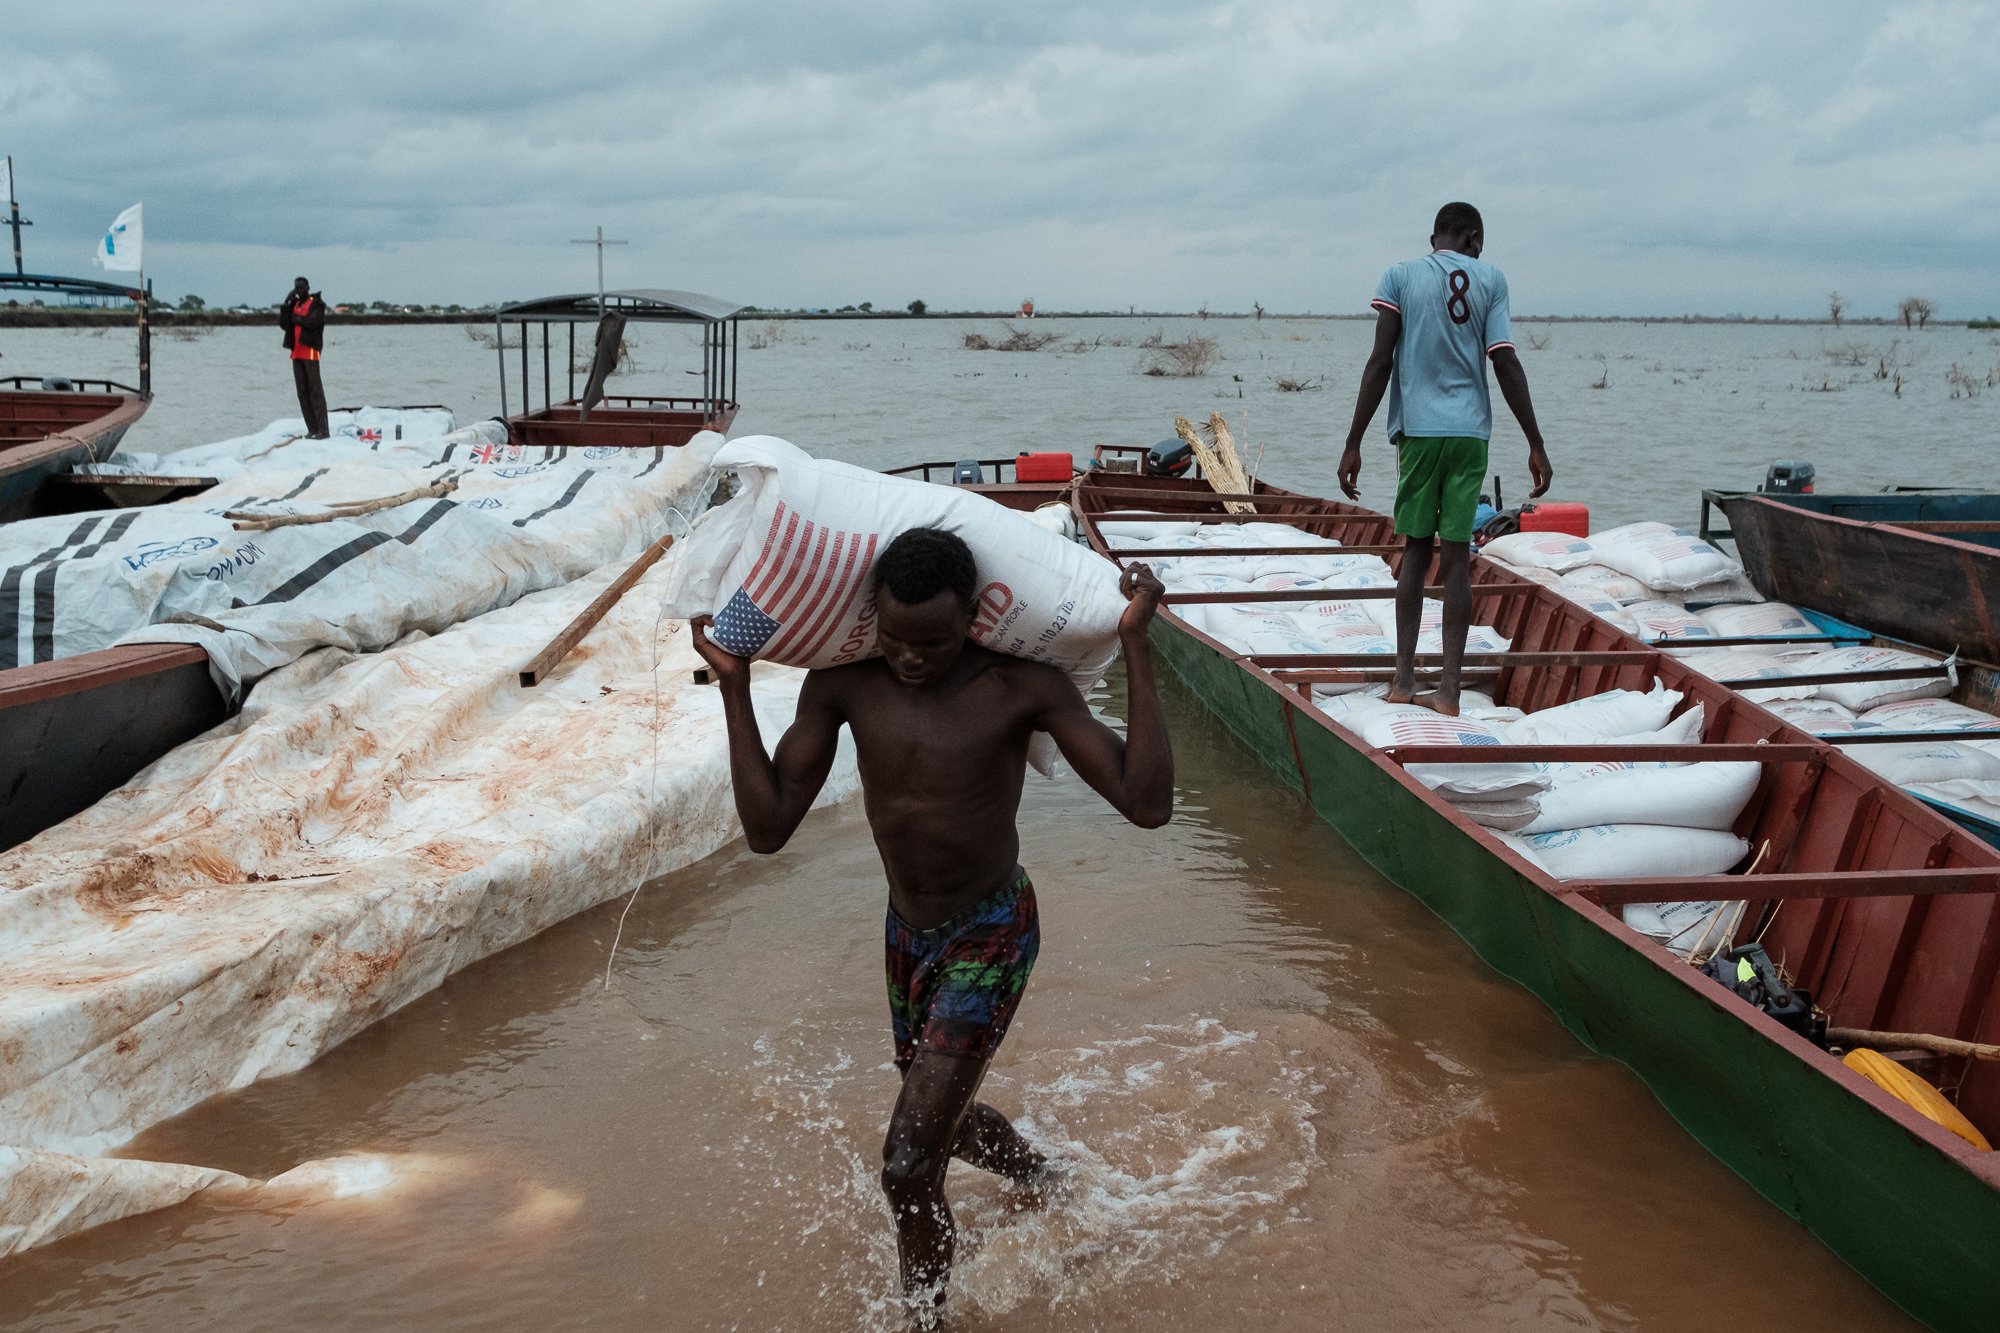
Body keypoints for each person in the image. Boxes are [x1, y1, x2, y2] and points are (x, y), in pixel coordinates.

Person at [689, 527, 1173, 1325]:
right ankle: (1044, 1177)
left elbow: (1146, 802)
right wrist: (735, 688)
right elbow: (768, 825)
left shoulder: (1020, 688)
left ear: (974, 619)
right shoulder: (844, 685)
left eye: (934, 641)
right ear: (872, 619)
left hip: (992, 930)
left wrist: (1137, 648)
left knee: (907, 1164)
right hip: (906, 935)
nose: (911, 658)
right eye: (896, 638)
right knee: (934, 1119)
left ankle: (924, 1320)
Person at [1338, 202, 1552, 717]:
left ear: (1434, 236)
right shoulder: (1491, 279)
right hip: (1469, 434)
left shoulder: (1400, 277)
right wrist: (1536, 442)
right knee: (1457, 558)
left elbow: (1380, 361)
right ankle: (1451, 692)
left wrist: (1353, 441)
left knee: (1415, 552)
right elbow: (1505, 359)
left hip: (1418, 433)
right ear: (1474, 239)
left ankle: (1403, 680)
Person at [278, 276, 330, 439]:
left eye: (301, 288)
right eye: (296, 288)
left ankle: (323, 430)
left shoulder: (317, 304)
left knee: (315, 390)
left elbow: (311, 322)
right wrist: (287, 303)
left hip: (310, 351)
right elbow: (284, 324)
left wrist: (296, 318)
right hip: (296, 352)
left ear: (307, 288)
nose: (298, 291)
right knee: (302, 392)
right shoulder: (295, 305)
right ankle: (312, 429)